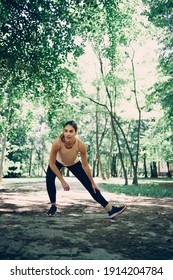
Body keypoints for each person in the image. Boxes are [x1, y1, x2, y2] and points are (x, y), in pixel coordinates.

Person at [46, 120, 127, 218]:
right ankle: (53, 206)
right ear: (63, 131)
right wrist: (62, 181)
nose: (67, 134)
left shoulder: (81, 145)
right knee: (49, 179)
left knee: (91, 186)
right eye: (65, 131)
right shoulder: (57, 143)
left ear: (75, 132)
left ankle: (110, 209)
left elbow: (85, 165)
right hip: (57, 162)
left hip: (73, 163)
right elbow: (52, 163)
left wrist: (92, 182)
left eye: (71, 131)